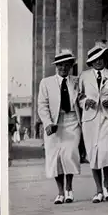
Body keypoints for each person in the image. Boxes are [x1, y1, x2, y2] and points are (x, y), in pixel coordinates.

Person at [37, 49, 81, 204]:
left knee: (69, 154)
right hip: (54, 123)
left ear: (71, 66)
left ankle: (69, 189)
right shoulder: (46, 82)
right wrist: (48, 123)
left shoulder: (76, 81)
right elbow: (42, 106)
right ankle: (60, 192)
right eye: (60, 65)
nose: (63, 68)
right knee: (55, 157)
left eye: (66, 65)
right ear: (56, 66)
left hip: (72, 121)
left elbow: (82, 98)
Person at [78, 42, 108, 203]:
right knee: (93, 154)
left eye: (101, 58)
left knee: (107, 151)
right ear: (90, 61)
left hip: (107, 118)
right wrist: (85, 102)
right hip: (90, 119)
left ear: (105, 59)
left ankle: (107, 184)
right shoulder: (84, 76)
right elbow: (79, 96)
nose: (98, 62)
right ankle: (98, 190)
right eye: (95, 59)